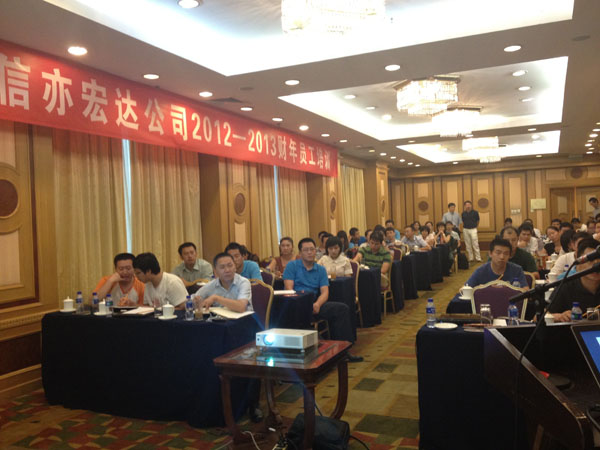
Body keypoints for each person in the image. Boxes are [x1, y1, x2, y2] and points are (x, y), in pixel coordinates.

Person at [190, 252, 258, 421]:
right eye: (222, 267)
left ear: (235, 266)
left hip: (245, 330)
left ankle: (252, 404)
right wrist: (197, 301)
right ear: (215, 271)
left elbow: (241, 307)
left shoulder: (243, 282)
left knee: (249, 359)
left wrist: (216, 298)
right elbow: (192, 300)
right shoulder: (212, 285)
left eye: (230, 265)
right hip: (222, 330)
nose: (227, 270)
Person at [283, 238, 362, 362]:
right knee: (297, 316)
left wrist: (318, 304)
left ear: (316, 251)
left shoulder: (320, 269)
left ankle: (343, 351)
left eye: (312, 249)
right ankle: (322, 351)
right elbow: (289, 289)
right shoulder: (292, 266)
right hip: (297, 303)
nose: (310, 252)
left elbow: (325, 292)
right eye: (306, 250)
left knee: (341, 309)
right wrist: (305, 304)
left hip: (315, 302)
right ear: (300, 253)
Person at [549, 238, 600, 322]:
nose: (596, 265)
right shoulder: (565, 286)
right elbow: (542, 316)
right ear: (578, 264)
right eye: (590, 260)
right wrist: (559, 316)